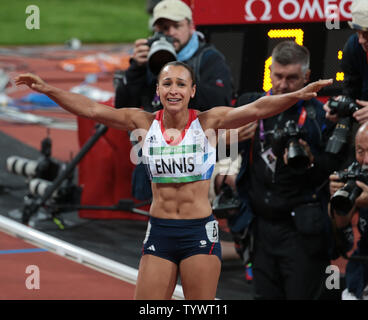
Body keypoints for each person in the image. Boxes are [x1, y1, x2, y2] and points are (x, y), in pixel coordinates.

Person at [14, 61, 331, 300]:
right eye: (167, 83)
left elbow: (260, 107)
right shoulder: (142, 121)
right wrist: (48, 89)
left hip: (198, 232)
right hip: (160, 231)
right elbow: (92, 109)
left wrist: (298, 95)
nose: (174, 89)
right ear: (158, 91)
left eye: (181, 83)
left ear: (192, 91)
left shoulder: (209, 122)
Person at [235, 41, 342, 299]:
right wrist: (229, 140)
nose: (282, 85)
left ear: (306, 76)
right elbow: (213, 144)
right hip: (260, 227)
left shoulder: (319, 117)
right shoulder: (250, 107)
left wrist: (310, 159)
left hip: (301, 230)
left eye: (292, 78)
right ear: (269, 71)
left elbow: (332, 169)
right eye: (278, 76)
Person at [114, 0, 234, 201]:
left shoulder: (209, 59)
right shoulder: (149, 59)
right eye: (162, 28)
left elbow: (220, 103)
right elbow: (122, 109)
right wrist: (135, 67)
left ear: (190, 26)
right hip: (154, 161)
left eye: (175, 26)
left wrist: (178, 74)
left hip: (194, 162)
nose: (169, 33)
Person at [323, 0, 368, 170]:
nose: (362, 40)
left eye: (367, 34)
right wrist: (342, 108)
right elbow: (351, 93)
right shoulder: (354, 47)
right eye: (358, 32)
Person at [329, 122, 368, 300]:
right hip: (360, 274)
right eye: (360, 151)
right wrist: (340, 198)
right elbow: (341, 227)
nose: (366, 160)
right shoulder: (361, 175)